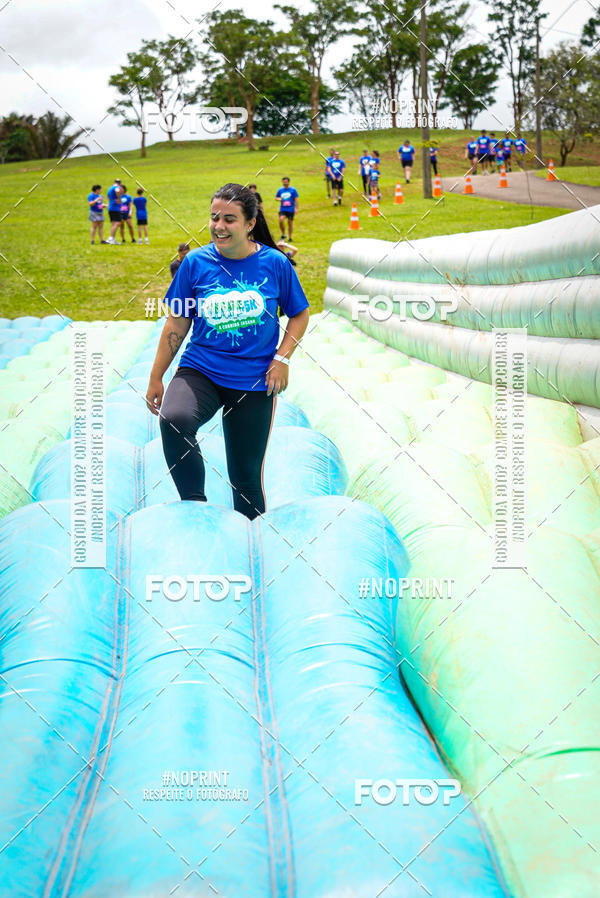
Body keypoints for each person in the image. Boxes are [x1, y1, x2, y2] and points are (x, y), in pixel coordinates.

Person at [145, 182, 310, 520]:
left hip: (254, 380)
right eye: (214, 218)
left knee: (245, 479)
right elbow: (177, 322)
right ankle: (196, 511)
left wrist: (282, 358)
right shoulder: (195, 263)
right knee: (174, 420)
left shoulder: (275, 264)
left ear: (250, 224)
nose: (219, 226)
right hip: (201, 369)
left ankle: (251, 538)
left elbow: (300, 314)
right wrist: (156, 375)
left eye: (229, 219)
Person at [276, 176, 299, 241]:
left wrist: (296, 208)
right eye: (284, 182)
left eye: (286, 182)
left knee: (290, 223)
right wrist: (279, 199)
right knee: (281, 220)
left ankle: (290, 237)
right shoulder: (280, 190)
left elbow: (296, 199)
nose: (285, 183)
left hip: (291, 209)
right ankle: (283, 234)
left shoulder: (293, 190)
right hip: (283, 209)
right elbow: (276, 197)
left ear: (288, 182)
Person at [105, 178, 122, 244]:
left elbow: (107, 196)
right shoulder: (116, 187)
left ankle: (112, 239)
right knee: (117, 223)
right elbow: (117, 191)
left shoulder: (110, 188)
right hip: (115, 208)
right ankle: (111, 238)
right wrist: (119, 199)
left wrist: (111, 201)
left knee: (113, 223)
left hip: (111, 207)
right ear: (119, 183)